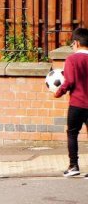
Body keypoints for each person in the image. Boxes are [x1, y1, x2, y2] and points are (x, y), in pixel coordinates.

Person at [54, 27, 88, 177]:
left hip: (77, 104)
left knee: (72, 134)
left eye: (72, 45)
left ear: (77, 43)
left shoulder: (72, 60)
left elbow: (70, 81)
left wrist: (59, 92)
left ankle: (73, 165)